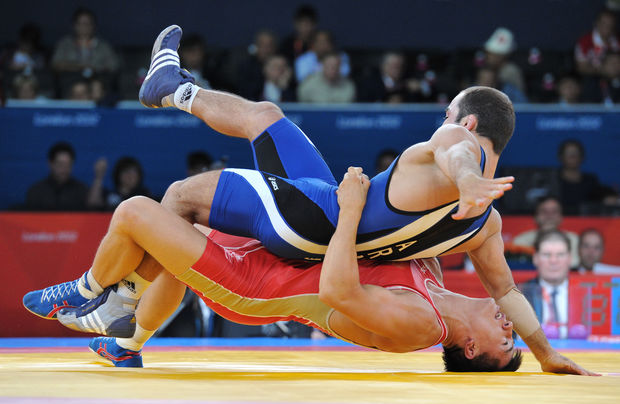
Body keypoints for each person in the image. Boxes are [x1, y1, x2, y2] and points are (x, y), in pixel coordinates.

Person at [133, 25, 589, 374]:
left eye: (448, 113)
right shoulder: (483, 227)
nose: (442, 121)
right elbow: (506, 291)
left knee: (179, 201)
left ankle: (124, 312)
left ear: (466, 123)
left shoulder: (457, 147)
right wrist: (545, 353)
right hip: (326, 206)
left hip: (313, 229)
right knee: (266, 117)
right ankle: (173, 89)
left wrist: (468, 180)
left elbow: (457, 151)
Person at [24, 168, 523, 372]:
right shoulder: (432, 278)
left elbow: (337, 287)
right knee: (173, 218)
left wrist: (350, 209)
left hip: (255, 288)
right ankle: (125, 343)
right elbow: (434, 226)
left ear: (471, 348)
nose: (509, 328)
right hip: (274, 256)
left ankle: (89, 292)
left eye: (506, 343)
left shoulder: (420, 326)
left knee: (136, 212)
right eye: (515, 335)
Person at [518, 230, 572, 339]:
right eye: (547, 255)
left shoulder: (585, 294)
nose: (553, 260)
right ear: (535, 258)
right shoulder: (519, 295)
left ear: (570, 259)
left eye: (560, 254)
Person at [512, 196, 580, 267]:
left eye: (554, 212)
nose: (549, 216)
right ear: (535, 217)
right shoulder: (520, 242)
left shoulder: (574, 240)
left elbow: (574, 266)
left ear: (561, 218)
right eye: (544, 211)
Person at [51, 7, 120, 76]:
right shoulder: (65, 44)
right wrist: (79, 67)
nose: (84, 27)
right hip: (71, 79)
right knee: (80, 86)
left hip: (97, 78)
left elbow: (114, 65)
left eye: (88, 23)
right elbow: (56, 64)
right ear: (74, 25)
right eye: (80, 23)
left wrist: (95, 69)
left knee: (97, 85)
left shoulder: (103, 46)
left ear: (94, 26)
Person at [24, 142, 89, 211]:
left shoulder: (81, 191)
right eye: (60, 164)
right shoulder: (36, 192)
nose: (64, 169)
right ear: (50, 164)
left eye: (68, 165)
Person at [87, 156, 152, 211]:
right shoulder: (109, 195)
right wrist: (99, 176)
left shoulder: (144, 197)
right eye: (126, 172)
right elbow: (93, 204)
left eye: (134, 173)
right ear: (118, 174)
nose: (130, 176)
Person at [575, 8, 620, 77]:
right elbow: (582, 68)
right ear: (597, 23)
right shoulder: (584, 42)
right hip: (594, 77)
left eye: (610, 24)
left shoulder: (617, 40)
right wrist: (602, 70)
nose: (607, 27)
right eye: (604, 23)